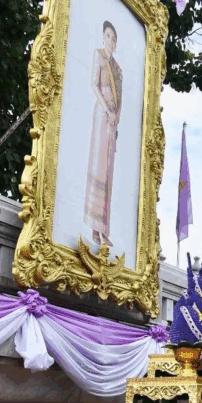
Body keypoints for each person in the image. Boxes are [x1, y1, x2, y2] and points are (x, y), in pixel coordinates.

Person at [85, 20, 123, 248]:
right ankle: (94, 228)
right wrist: (108, 111)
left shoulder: (118, 69)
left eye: (114, 38)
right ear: (103, 37)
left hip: (112, 123)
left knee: (109, 174)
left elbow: (121, 99)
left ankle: (104, 230)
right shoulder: (98, 56)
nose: (110, 40)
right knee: (98, 168)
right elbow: (94, 85)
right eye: (108, 36)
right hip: (101, 116)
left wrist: (116, 118)